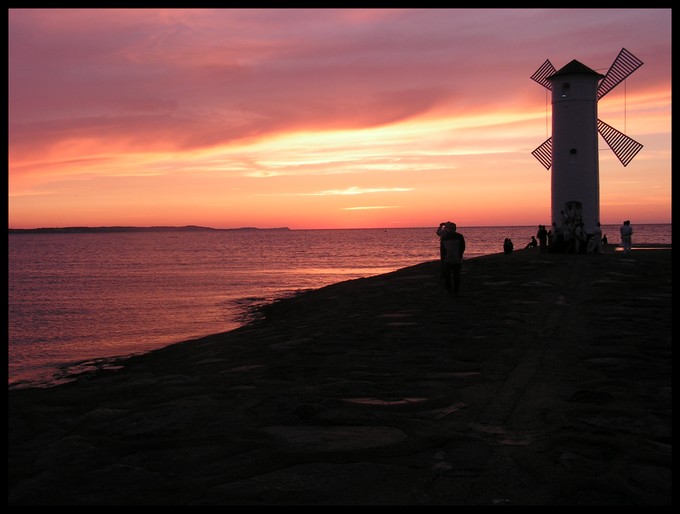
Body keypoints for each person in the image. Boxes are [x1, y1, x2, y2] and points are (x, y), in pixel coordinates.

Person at [438, 222, 466, 295]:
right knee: (447, 276)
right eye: (450, 228)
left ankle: (456, 291)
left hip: (457, 259)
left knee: (456, 276)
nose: (452, 229)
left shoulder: (459, 236)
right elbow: (443, 250)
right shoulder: (444, 237)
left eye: (453, 228)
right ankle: (449, 290)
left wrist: (460, 255)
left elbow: (462, 246)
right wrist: (443, 259)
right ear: (448, 229)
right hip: (447, 260)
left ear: (455, 229)